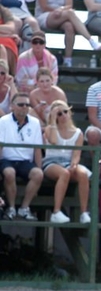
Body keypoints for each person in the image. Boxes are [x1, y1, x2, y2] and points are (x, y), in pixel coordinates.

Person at [43, 100, 91, 223]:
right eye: (59, 114)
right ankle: (56, 212)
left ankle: (84, 213)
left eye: (65, 112)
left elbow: (76, 154)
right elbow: (53, 141)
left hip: (68, 163)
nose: (63, 115)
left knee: (83, 174)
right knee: (64, 173)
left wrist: (74, 165)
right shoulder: (49, 128)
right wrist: (53, 121)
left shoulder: (78, 133)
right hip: (51, 162)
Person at [35, 0, 101, 67]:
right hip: (45, 15)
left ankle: (68, 59)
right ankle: (90, 40)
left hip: (62, 14)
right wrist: (55, 11)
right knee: (70, 13)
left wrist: (61, 9)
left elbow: (69, 5)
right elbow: (44, 6)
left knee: (69, 26)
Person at [0, 92, 43, 221]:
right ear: (12, 106)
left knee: (38, 174)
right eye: (21, 104)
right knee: (9, 173)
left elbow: (37, 149)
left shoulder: (35, 123)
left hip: (25, 161)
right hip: (6, 159)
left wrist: (39, 167)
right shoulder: (3, 121)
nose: (24, 107)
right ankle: (11, 208)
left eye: (27, 104)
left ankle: (24, 208)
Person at [0, 3, 19, 75]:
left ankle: (6, 76)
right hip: (3, 37)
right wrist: (6, 34)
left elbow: (11, 28)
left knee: (9, 43)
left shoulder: (4, 11)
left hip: (4, 39)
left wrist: (7, 34)